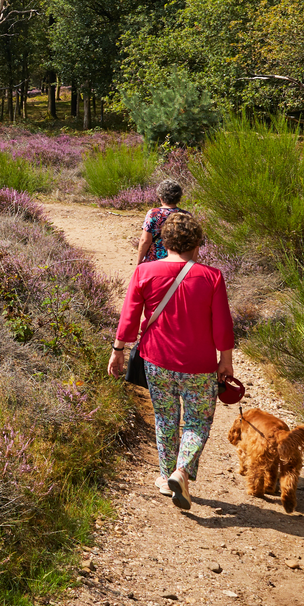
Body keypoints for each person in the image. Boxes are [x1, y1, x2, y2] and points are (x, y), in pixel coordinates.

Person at [107, 212, 234, 510]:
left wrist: (118, 350)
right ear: (198, 243)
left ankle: (167, 478)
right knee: (197, 420)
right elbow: (223, 324)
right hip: (199, 365)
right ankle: (182, 471)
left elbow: (129, 315)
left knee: (165, 418)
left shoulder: (144, 272)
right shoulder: (211, 276)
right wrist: (225, 359)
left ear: (165, 242)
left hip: (156, 359)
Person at [137, 179, 189, 265]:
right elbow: (194, 243)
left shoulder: (153, 214)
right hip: (179, 262)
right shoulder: (186, 215)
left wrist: (138, 263)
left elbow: (145, 240)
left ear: (161, 197)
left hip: (154, 262)